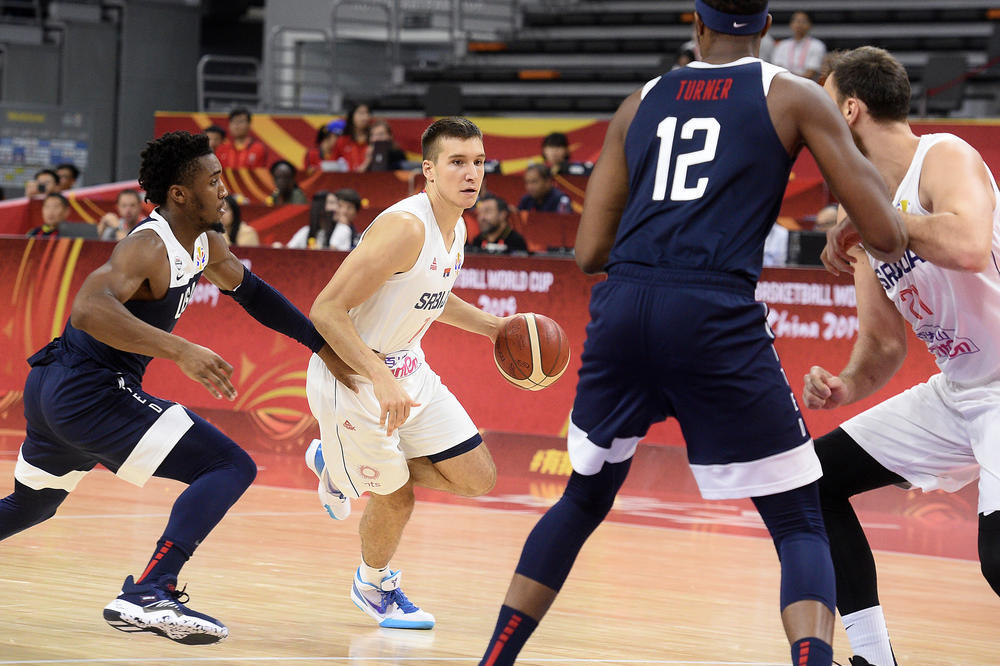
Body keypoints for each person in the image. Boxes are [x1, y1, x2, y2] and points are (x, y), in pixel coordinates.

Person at [478, 2, 909, 665]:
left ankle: (493, 659)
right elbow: (887, 234)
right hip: (711, 309)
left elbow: (589, 252)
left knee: (583, 498)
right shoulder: (791, 95)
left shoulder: (640, 102)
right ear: (766, 28)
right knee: (798, 519)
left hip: (624, 305)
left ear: (697, 26)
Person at [0, 130, 355, 645]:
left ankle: (150, 589)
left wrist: (320, 346)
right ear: (180, 194)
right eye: (213, 181)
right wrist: (181, 350)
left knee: (30, 506)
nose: (224, 189)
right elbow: (89, 309)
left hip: (55, 388)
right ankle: (151, 589)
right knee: (229, 465)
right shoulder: (148, 245)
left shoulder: (206, 243)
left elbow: (253, 293)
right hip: (88, 390)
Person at [802, 46, 1000, 666]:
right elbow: (885, 343)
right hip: (959, 390)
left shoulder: (943, 156)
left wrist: (878, 221)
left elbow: (968, 245)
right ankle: (873, 658)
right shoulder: (858, 207)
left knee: (998, 557)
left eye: (822, 106)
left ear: (849, 110)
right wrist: (845, 384)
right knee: (813, 480)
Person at [304, 117, 502, 630]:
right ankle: (373, 585)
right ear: (429, 170)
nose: (471, 173)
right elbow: (325, 311)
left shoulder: (456, 225)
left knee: (478, 477)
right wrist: (379, 376)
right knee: (396, 497)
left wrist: (492, 327)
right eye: (457, 162)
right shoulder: (406, 227)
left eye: (478, 162)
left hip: (408, 367)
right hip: (352, 374)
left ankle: (339, 463)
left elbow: (428, 293)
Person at [771, 11, 825, 82]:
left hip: (807, 85)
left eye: (803, 21)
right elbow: (776, 70)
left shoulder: (817, 45)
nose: (799, 24)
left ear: (810, 25)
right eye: (797, 21)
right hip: (784, 84)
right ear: (791, 24)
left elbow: (810, 74)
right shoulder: (782, 45)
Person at [330, 101, 372, 172]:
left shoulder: (374, 139)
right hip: (347, 178)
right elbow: (332, 164)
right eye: (361, 113)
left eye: (367, 113)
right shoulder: (342, 140)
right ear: (352, 116)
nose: (365, 117)